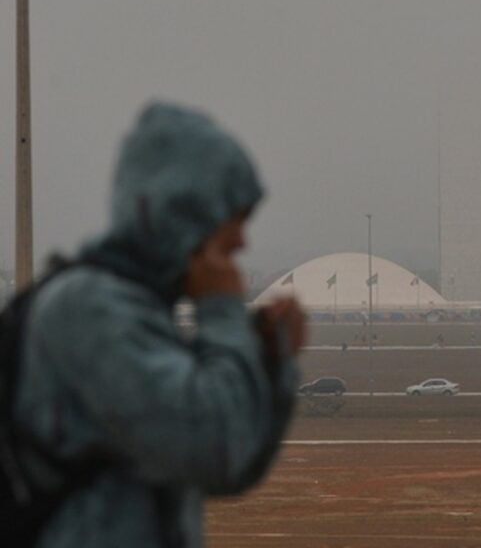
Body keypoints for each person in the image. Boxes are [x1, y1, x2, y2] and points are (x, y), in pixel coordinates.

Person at [13, 102, 305, 548]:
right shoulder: (90, 311)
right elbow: (213, 449)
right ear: (185, 215)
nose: (242, 241)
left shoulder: (140, 311)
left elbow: (233, 467)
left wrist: (270, 365)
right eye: (234, 220)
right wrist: (222, 311)